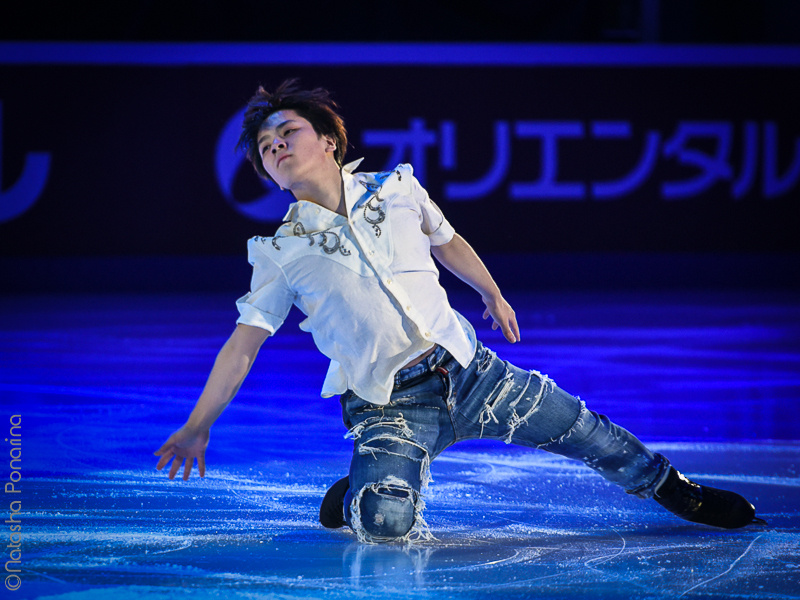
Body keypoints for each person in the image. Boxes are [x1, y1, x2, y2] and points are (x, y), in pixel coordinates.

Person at [154, 79, 765, 543]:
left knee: (586, 430)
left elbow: (445, 240)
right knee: (384, 525)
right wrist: (198, 423)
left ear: (330, 140)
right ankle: (362, 487)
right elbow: (243, 344)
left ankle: (678, 493)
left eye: (288, 131)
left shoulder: (396, 188)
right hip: (389, 402)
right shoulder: (281, 252)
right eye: (266, 146)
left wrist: (491, 292)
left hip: (472, 372)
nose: (278, 145)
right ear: (267, 172)